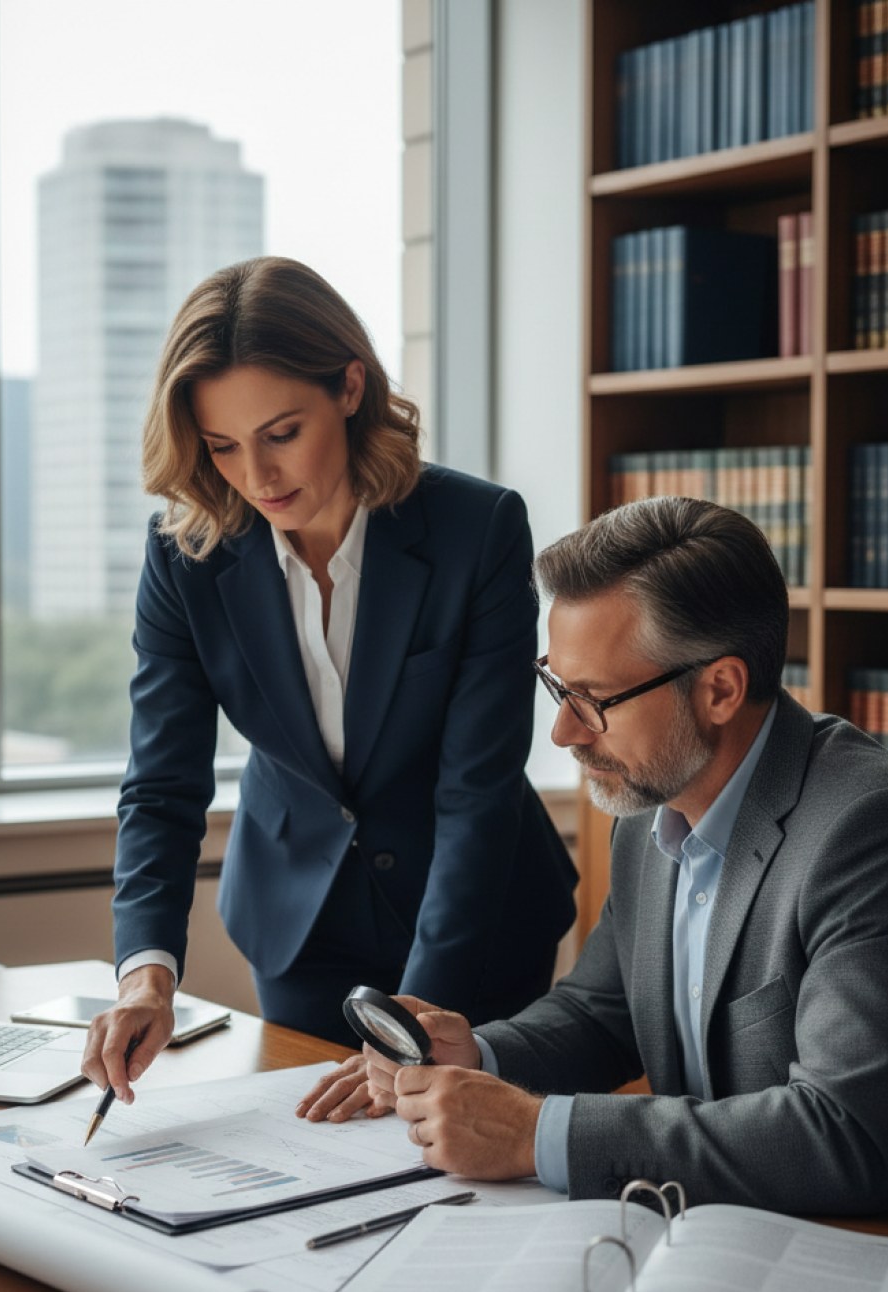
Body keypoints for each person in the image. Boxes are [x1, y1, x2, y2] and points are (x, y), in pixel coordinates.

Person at [359, 496, 888, 1257]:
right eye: (558, 687)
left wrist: (536, 1133)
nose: (564, 732)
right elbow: (602, 1012)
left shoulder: (876, 833)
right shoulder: (650, 806)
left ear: (721, 690)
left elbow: (840, 1135)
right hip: (748, 1236)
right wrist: (478, 1055)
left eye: (592, 699)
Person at [82, 256, 577, 1114]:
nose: (257, 477)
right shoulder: (185, 556)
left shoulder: (476, 529)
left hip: (477, 926)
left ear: (350, 387)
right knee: (315, 1156)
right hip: (299, 927)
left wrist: (414, 1020)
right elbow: (161, 784)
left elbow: (478, 790)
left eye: (281, 433)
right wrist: (146, 975)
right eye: (223, 446)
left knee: (466, 1156)